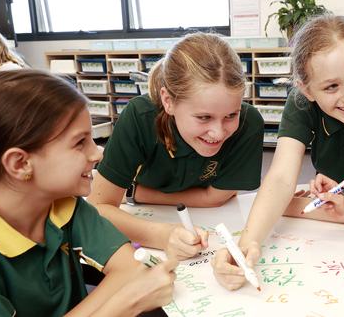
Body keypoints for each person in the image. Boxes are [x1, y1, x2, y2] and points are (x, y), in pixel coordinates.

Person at [0, 70, 178, 316]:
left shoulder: (63, 206)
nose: (97, 153)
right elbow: (129, 286)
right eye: (80, 142)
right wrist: (125, 305)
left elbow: (132, 269)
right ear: (20, 164)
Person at [212, 14, 344, 290]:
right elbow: (280, 180)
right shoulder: (300, 102)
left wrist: (289, 205)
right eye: (331, 86)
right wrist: (247, 243)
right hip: (332, 205)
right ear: (306, 89)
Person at [88, 32, 264, 260]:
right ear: (168, 101)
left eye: (231, 115)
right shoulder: (139, 117)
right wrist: (161, 235)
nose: (218, 132)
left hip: (205, 218)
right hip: (148, 220)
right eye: (203, 117)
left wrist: (133, 193)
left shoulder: (249, 124)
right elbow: (96, 209)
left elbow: (217, 198)